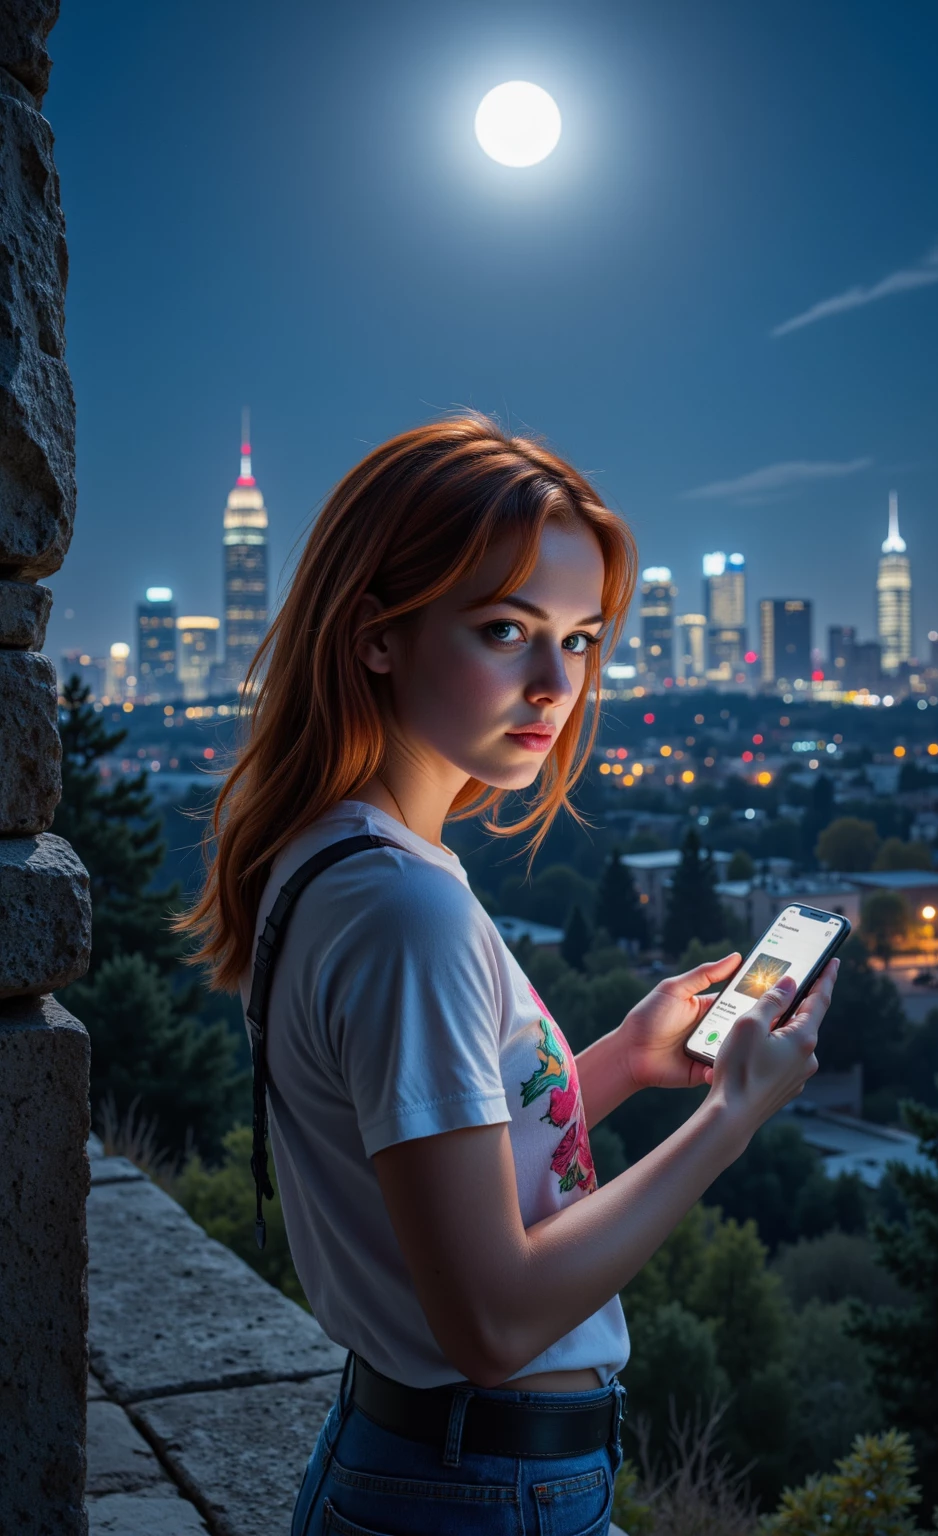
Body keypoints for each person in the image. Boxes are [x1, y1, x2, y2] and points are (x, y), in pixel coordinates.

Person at [177, 412, 837, 1536]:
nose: (553, 684)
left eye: (579, 639)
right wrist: (731, 1117)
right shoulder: (404, 908)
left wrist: (620, 1065)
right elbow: (490, 1319)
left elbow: (439, 1166)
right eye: (504, 629)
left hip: (419, 1465)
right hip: (474, 1491)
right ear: (376, 633)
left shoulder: (332, 858)